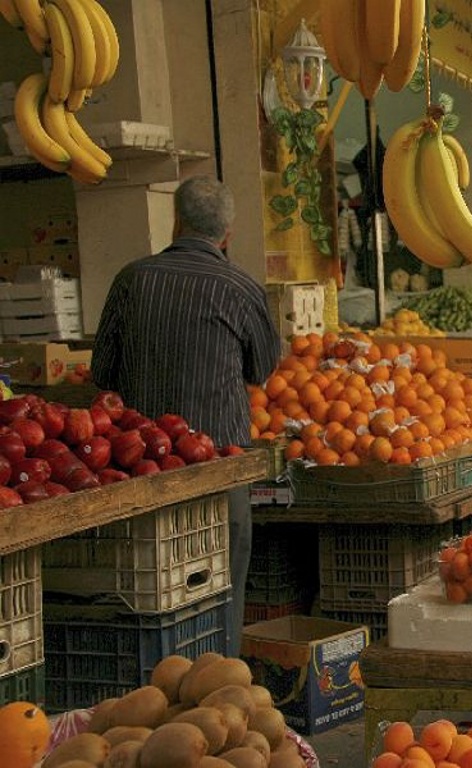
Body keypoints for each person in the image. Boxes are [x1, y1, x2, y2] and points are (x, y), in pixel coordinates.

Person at [92, 175, 281, 655]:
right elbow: (262, 370)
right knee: (219, 582)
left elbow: (102, 374)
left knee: (150, 586)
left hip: (137, 471)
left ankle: (152, 681)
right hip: (219, 463)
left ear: (175, 222)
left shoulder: (132, 279)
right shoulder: (241, 288)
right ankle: (221, 679)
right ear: (228, 234)